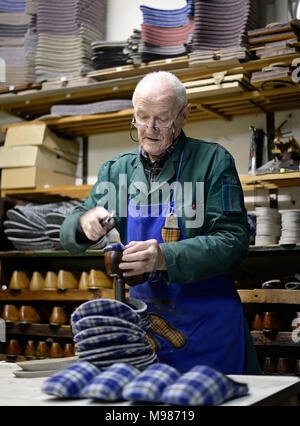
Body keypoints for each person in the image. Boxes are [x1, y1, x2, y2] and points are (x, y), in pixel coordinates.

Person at [60, 71, 260, 375]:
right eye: (142, 117)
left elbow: (233, 243)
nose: (150, 129)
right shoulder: (117, 171)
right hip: (147, 332)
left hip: (209, 330)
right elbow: (70, 232)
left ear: (184, 116)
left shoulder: (212, 161)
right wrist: (83, 222)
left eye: (162, 119)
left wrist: (165, 257)